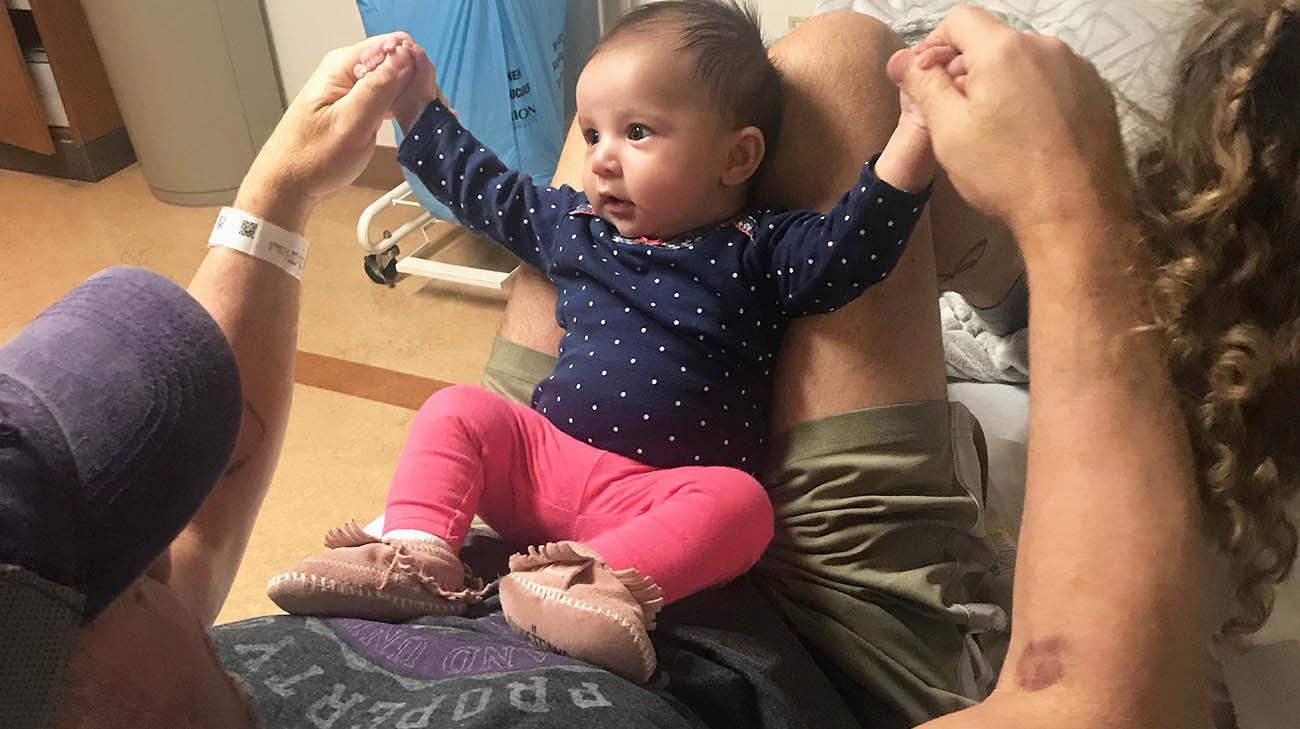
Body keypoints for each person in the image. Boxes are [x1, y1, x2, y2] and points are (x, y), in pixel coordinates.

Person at [1, 4, 1290, 729]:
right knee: (838, 67)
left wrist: (273, 196)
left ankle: (412, 542)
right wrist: (1075, 214)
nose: (154, 548)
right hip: (776, 622)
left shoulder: (129, 666)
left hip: (505, 513)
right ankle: (1005, 294)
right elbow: (1113, 712)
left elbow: (195, 516)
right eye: (104, 561)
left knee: (732, 90)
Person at [264, 0, 940, 685]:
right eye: (591, 134)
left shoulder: (761, 246)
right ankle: (414, 554)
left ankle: (587, 584)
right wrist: (415, 105)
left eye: (637, 132)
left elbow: (854, 246)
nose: (601, 161)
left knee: (743, 505)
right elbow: (482, 189)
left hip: (659, 503)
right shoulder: (576, 224)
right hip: (542, 465)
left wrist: (915, 128)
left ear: (737, 156)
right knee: (458, 410)